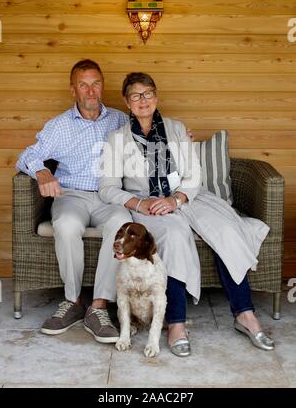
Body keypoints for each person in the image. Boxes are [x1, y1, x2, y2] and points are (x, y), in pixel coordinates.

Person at [95, 72, 275, 357]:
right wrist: (139, 205)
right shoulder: (117, 139)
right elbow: (107, 188)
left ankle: (245, 314)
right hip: (147, 204)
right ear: (126, 102)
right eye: (136, 95)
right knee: (175, 235)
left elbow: (193, 177)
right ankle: (176, 323)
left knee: (226, 230)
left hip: (187, 198)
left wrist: (176, 198)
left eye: (149, 93)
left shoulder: (176, 129)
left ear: (156, 96)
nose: (144, 100)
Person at [16, 59, 132, 343]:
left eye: (96, 84)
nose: (91, 91)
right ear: (73, 90)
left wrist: (178, 140)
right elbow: (27, 156)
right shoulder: (59, 126)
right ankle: (73, 301)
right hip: (72, 196)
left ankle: (99, 306)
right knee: (66, 224)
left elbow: (148, 135)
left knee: (122, 223)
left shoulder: (120, 119)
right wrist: (43, 173)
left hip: (109, 196)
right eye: (83, 85)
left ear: (102, 86)